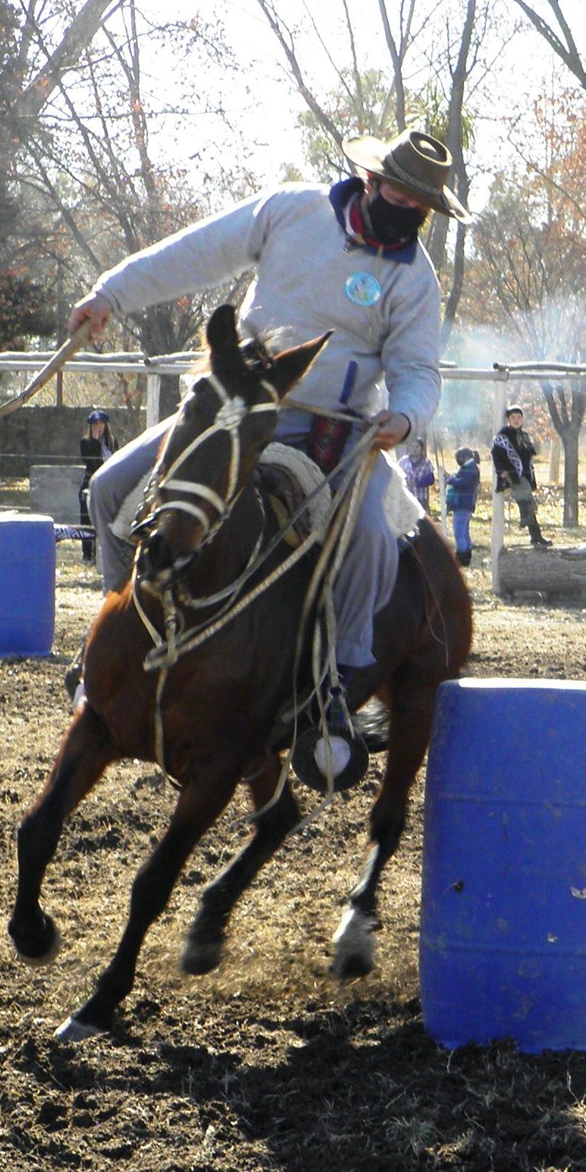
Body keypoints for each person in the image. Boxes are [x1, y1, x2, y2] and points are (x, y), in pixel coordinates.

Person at [71, 125, 469, 741]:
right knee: (109, 487)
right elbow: (198, 251)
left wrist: (407, 416)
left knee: (369, 538)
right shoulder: (292, 211)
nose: (412, 211)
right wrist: (111, 294)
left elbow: (416, 369)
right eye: (404, 195)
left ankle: (336, 685)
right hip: (237, 404)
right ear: (372, 180)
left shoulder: (415, 280)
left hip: (337, 431)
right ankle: (116, 642)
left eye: (424, 205)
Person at [490, 405, 551, 549]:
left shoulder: (524, 435)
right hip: (512, 474)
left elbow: (528, 454)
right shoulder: (503, 436)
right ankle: (525, 520)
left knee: (530, 504)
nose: (516, 420)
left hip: (524, 474)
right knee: (524, 498)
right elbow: (496, 455)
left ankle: (535, 536)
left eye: (519, 417)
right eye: (513, 418)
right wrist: (502, 470)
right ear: (508, 420)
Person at [77, 408, 116, 562]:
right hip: (91, 479)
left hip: (108, 480)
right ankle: (87, 553)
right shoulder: (86, 442)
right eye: (95, 424)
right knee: (84, 511)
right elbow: (89, 461)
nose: (98, 427)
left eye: (101, 424)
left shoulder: (112, 442)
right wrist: (94, 441)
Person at [442, 445, 481, 567]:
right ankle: (466, 555)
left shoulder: (471, 469)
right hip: (465, 504)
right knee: (464, 532)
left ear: (466, 457)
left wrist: (449, 479)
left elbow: (462, 483)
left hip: (463, 504)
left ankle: (461, 556)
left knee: (459, 532)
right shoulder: (468, 468)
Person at [398, 435, 436, 517]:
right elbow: (397, 476)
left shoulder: (426, 462)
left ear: (421, 449)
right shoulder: (403, 461)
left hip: (420, 498)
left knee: (420, 521)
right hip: (405, 497)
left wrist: (416, 483)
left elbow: (431, 479)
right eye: (412, 447)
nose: (414, 449)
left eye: (417, 447)